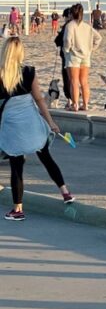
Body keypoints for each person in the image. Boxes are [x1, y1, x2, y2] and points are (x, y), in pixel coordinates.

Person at [0, 37, 75, 221]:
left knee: (16, 166)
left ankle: (18, 210)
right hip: (32, 123)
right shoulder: (29, 71)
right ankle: (65, 192)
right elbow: (40, 100)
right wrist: (51, 123)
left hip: (13, 126)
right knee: (47, 158)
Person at [62, 3, 102, 111]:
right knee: (84, 81)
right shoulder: (87, 26)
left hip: (73, 55)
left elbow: (67, 40)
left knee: (74, 81)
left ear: (71, 13)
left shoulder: (70, 25)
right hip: (86, 55)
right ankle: (85, 104)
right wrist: (92, 49)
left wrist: (66, 49)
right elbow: (98, 38)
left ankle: (75, 104)